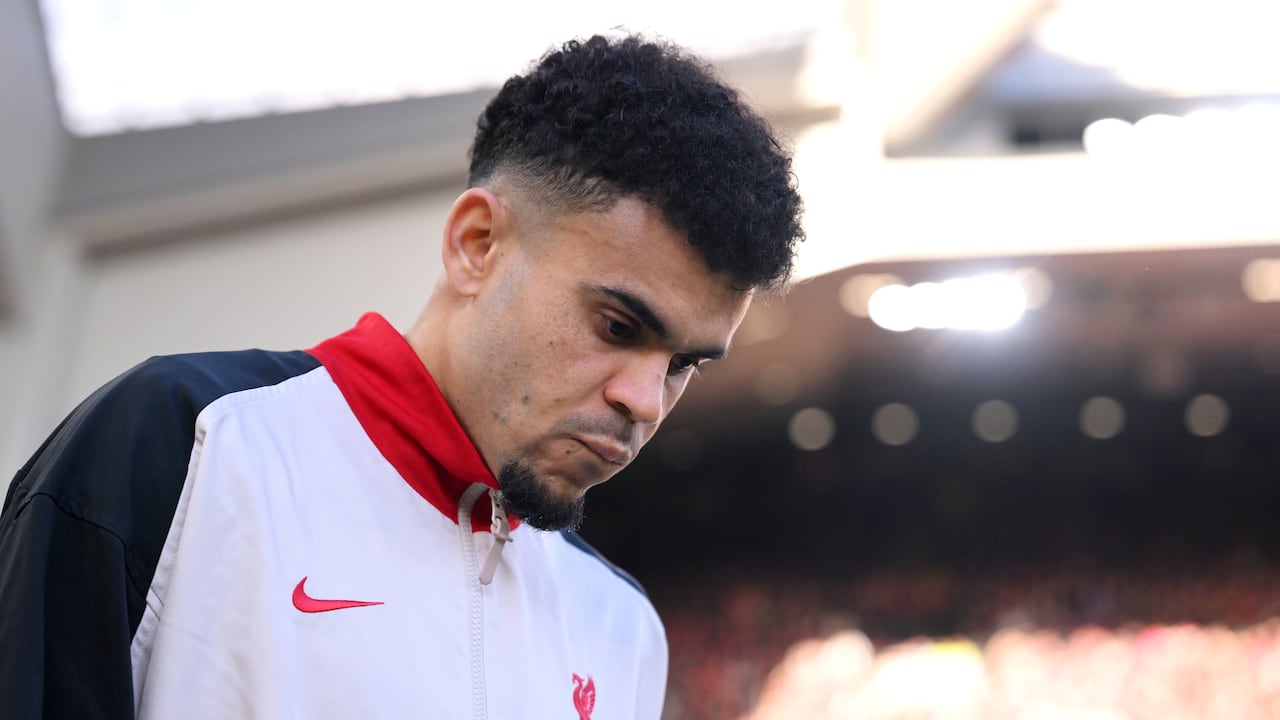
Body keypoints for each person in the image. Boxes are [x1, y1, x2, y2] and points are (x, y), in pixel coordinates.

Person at [0, 33, 804, 718]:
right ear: (477, 245)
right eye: (619, 327)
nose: (645, 401)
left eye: (685, 365)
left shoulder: (623, 631)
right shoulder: (189, 448)